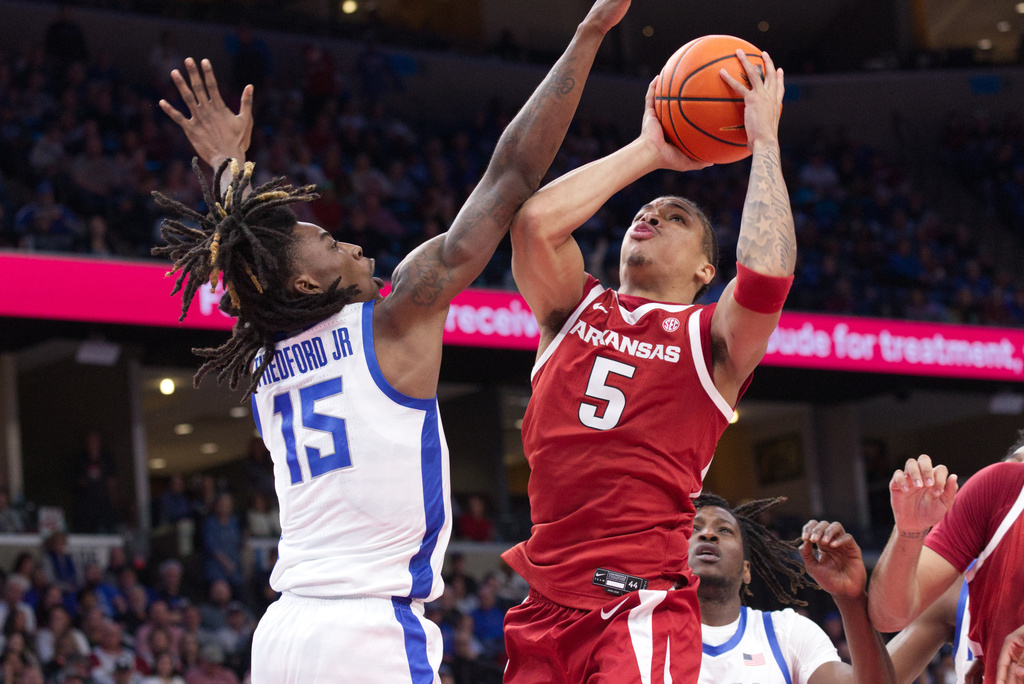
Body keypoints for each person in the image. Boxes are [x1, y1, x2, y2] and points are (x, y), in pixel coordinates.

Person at [153, 2, 630, 681]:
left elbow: (251, 261)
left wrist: (230, 168)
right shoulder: (393, 319)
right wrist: (587, 36)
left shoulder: (265, 357)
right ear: (307, 285)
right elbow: (511, 176)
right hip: (366, 631)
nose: (350, 244)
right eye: (329, 243)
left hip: (283, 634)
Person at [500, 48, 794, 683]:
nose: (651, 215)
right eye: (644, 212)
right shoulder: (573, 307)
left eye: (675, 217)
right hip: (544, 600)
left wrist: (764, 142)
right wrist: (648, 151)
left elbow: (768, 276)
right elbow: (533, 225)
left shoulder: (711, 338)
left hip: (637, 600)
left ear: (706, 270)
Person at [690, 494, 896, 684]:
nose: (708, 534)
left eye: (724, 530)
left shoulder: (788, 632)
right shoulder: (666, 637)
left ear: (746, 570)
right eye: (694, 529)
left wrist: (850, 599)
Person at [867, 445, 1024, 683]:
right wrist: (909, 530)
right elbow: (888, 617)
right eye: (1015, 461)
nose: (1016, 468)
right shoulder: (998, 486)